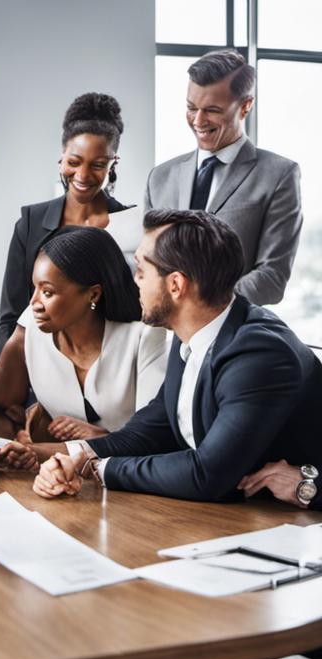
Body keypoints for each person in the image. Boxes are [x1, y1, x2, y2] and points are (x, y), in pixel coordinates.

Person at [31, 209, 321, 511]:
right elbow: (147, 433)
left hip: (297, 529)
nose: (134, 282)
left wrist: (101, 469)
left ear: (176, 285)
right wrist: (76, 457)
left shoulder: (259, 354)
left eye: (141, 271)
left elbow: (208, 474)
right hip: (243, 517)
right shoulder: (191, 338)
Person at [0, 228, 166, 473]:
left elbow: (149, 441)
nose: (34, 303)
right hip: (57, 480)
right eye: (34, 288)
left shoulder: (146, 336)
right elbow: (0, 411)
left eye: (47, 292)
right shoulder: (31, 327)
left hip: (128, 481)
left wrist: (100, 439)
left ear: (93, 294)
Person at [146, 49, 302, 306]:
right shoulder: (160, 177)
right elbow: (149, 263)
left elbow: (272, 278)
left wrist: (202, 308)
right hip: (163, 336)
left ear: (246, 106)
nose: (198, 120)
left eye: (212, 110)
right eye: (191, 107)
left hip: (232, 337)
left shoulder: (279, 175)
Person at [0, 93, 139, 357]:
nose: (83, 175)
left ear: (113, 163)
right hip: (40, 368)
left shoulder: (133, 226)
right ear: (61, 157)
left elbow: (139, 316)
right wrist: (9, 384)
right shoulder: (31, 224)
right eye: (74, 162)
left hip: (112, 368)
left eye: (98, 165)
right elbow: (12, 318)